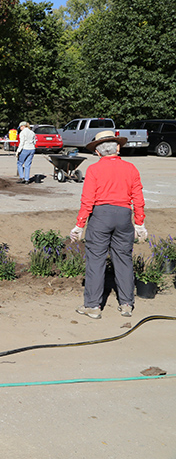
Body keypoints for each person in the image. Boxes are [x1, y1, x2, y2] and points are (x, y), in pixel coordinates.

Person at [70, 130, 146, 319]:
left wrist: (79, 225)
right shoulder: (131, 168)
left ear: (97, 152)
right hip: (123, 215)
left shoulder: (94, 170)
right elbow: (138, 198)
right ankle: (127, 304)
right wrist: (139, 223)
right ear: (118, 148)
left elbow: (87, 200)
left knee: (96, 260)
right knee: (124, 259)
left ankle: (93, 306)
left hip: (101, 216)